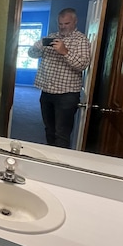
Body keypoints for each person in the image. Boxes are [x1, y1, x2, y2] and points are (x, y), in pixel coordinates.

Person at [27, 8, 91, 148]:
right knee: (49, 129)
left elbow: (82, 65)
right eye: (60, 23)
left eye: (66, 23)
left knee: (62, 134)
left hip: (66, 95)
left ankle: (60, 165)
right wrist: (36, 47)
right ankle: (50, 159)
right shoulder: (51, 37)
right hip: (46, 91)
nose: (63, 27)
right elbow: (32, 55)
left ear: (75, 22)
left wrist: (65, 52)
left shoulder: (81, 40)